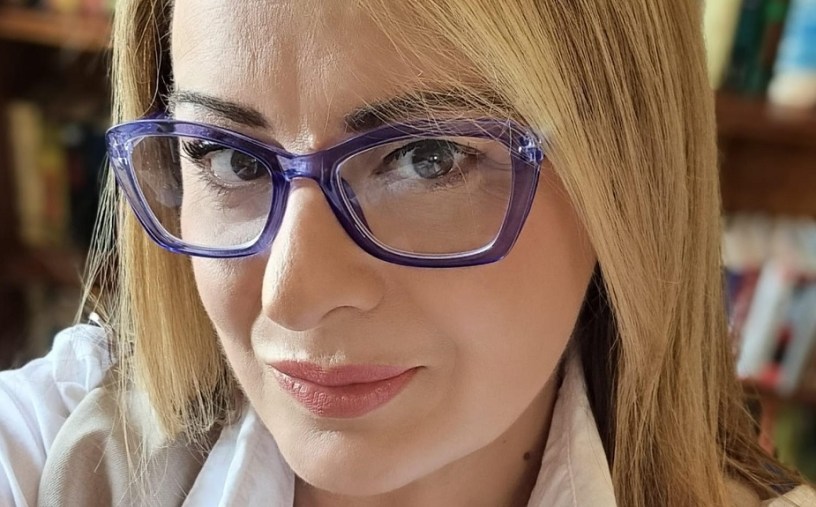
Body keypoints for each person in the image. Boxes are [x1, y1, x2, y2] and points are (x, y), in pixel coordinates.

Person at [1, 0, 814, 505]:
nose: (293, 293)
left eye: (428, 157)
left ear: (626, 176)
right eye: (230, 157)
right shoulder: (53, 450)